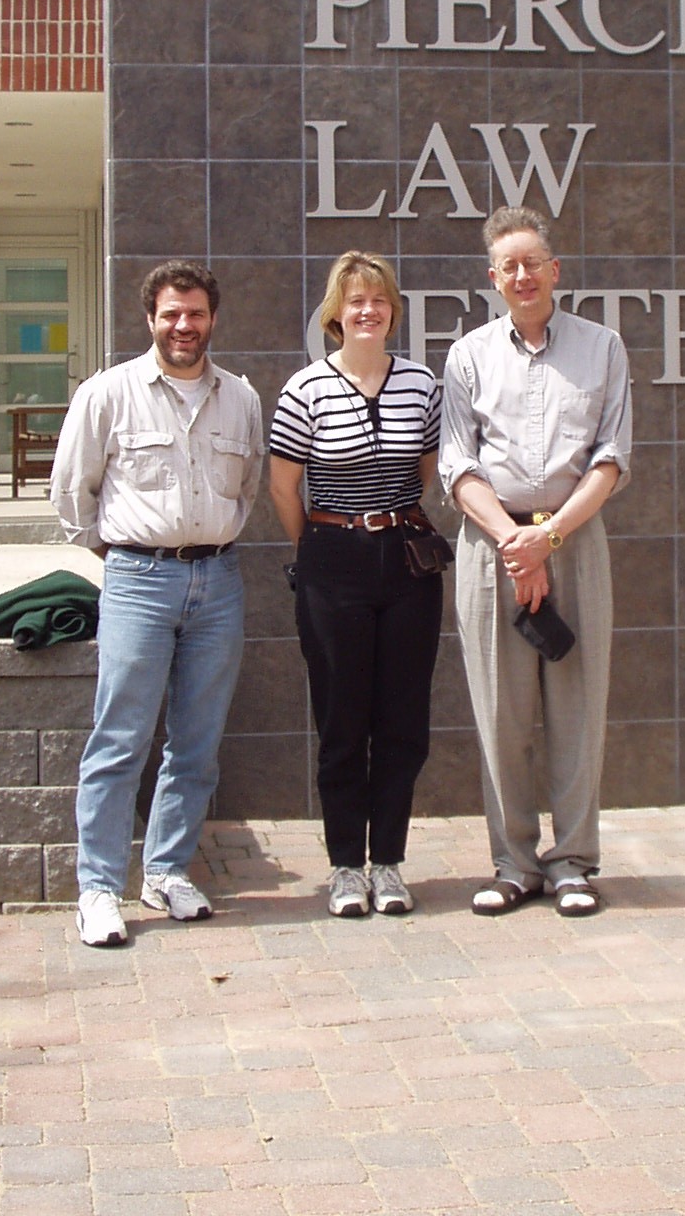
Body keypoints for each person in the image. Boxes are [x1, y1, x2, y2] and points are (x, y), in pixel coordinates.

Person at [50, 260, 263, 948]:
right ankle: (99, 889)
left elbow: (248, 488)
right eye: (171, 313)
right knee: (120, 740)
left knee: (196, 744)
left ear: (212, 319)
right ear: (150, 319)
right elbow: (71, 494)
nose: (183, 326)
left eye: (195, 313)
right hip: (138, 580)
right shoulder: (108, 394)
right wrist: (123, 558)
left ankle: (168, 870)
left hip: (218, 583)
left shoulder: (241, 399)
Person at [439, 207, 632, 918]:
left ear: (555, 271)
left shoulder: (603, 347)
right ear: (493, 278)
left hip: (575, 543)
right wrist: (514, 545)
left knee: (578, 709)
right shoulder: (467, 357)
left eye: (533, 262)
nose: (521, 275)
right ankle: (514, 863)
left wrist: (545, 540)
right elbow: (458, 464)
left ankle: (574, 861)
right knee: (501, 712)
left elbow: (612, 458)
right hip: (490, 550)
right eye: (508, 266)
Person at [268, 252, 444, 919]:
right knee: (342, 719)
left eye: (378, 299)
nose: (366, 310)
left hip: (405, 562)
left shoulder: (422, 385)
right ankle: (346, 866)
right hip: (330, 558)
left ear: (392, 310)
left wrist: (388, 525)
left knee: (402, 719)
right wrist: (316, 547)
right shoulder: (305, 389)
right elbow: (283, 486)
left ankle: (389, 863)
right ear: (334, 315)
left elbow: (428, 471)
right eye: (354, 300)